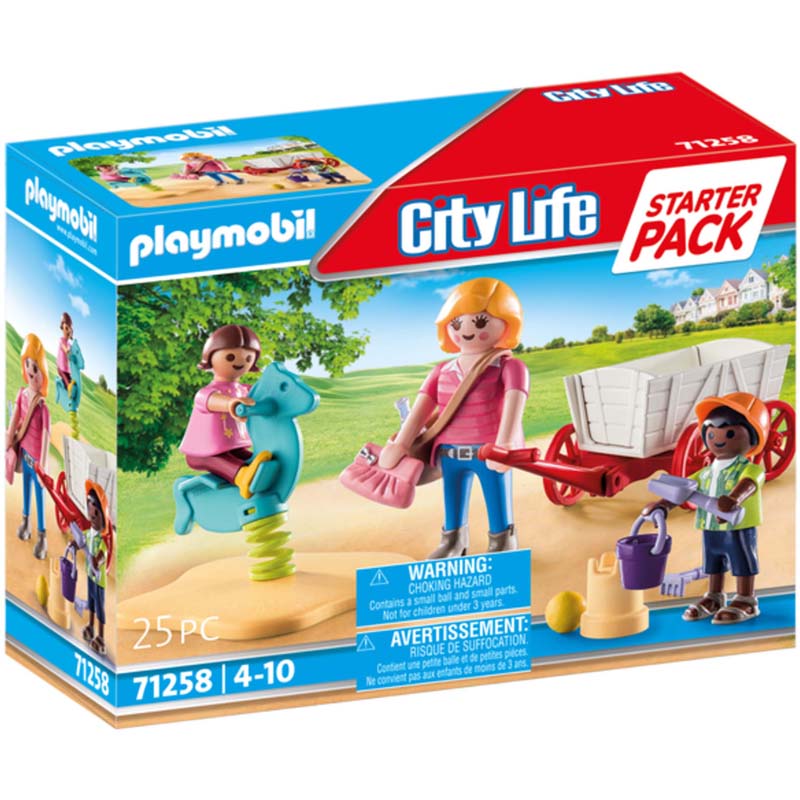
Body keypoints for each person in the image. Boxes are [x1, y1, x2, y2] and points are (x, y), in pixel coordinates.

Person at [379, 278, 529, 558]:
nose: (467, 331)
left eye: (481, 322)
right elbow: (421, 411)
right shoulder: (441, 371)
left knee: (497, 499)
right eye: (457, 323)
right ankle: (452, 541)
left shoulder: (509, 367)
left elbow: (514, 402)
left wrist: (506, 443)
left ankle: (502, 543)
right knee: (453, 499)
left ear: (507, 323)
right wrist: (400, 444)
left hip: (489, 450)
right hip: (449, 452)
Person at [643, 392, 770, 624]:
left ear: (752, 437)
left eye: (729, 433)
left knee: (742, 561)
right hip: (710, 525)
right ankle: (714, 596)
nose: (718, 439)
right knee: (713, 561)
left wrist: (735, 498)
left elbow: (751, 482)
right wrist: (663, 505)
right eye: (711, 433)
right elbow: (684, 489)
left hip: (738, 527)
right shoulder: (706, 472)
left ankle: (746, 599)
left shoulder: (748, 468)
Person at [179, 324, 271, 498]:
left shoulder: (244, 389)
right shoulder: (207, 393)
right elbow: (213, 400)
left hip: (233, 447)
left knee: (249, 458)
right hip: (202, 453)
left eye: (248, 358)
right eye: (230, 357)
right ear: (211, 357)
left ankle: (262, 472)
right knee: (223, 462)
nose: (240, 362)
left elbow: (261, 398)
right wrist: (231, 403)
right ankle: (242, 477)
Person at [6, 333, 51, 559]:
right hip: (24, 454)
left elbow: (46, 436)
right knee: (26, 490)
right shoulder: (22, 395)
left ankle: (42, 535)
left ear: (42, 373)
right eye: (28, 365)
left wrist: (43, 465)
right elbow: (15, 418)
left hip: (36, 461)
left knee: (39, 497)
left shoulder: (42, 408)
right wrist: (8, 440)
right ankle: (26, 522)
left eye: (35, 367)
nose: (31, 372)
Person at [71, 482, 112, 655]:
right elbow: (81, 540)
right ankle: (90, 626)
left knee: (100, 608)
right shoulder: (89, 534)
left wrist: (97, 560)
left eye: (96, 515)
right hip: (90, 576)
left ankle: (101, 637)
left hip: (99, 582)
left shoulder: (102, 541)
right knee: (92, 603)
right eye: (90, 514)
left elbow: (103, 555)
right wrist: (75, 544)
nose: (92, 518)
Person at [180, 152, 244, 185]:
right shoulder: (189, 163)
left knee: (224, 172)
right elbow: (192, 168)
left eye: (186, 158)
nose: (185, 159)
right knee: (211, 174)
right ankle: (221, 181)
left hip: (213, 167)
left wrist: (225, 167)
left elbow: (201, 164)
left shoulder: (200, 159)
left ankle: (239, 179)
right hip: (206, 170)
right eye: (184, 159)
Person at [57, 311, 74, 394]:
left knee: (71, 381)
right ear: (62, 328)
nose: (67, 332)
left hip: (67, 369)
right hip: (61, 368)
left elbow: (71, 355)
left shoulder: (69, 344)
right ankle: (68, 388)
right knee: (68, 383)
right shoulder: (61, 340)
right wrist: (67, 350)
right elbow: (65, 349)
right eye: (66, 328)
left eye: (69, 330)